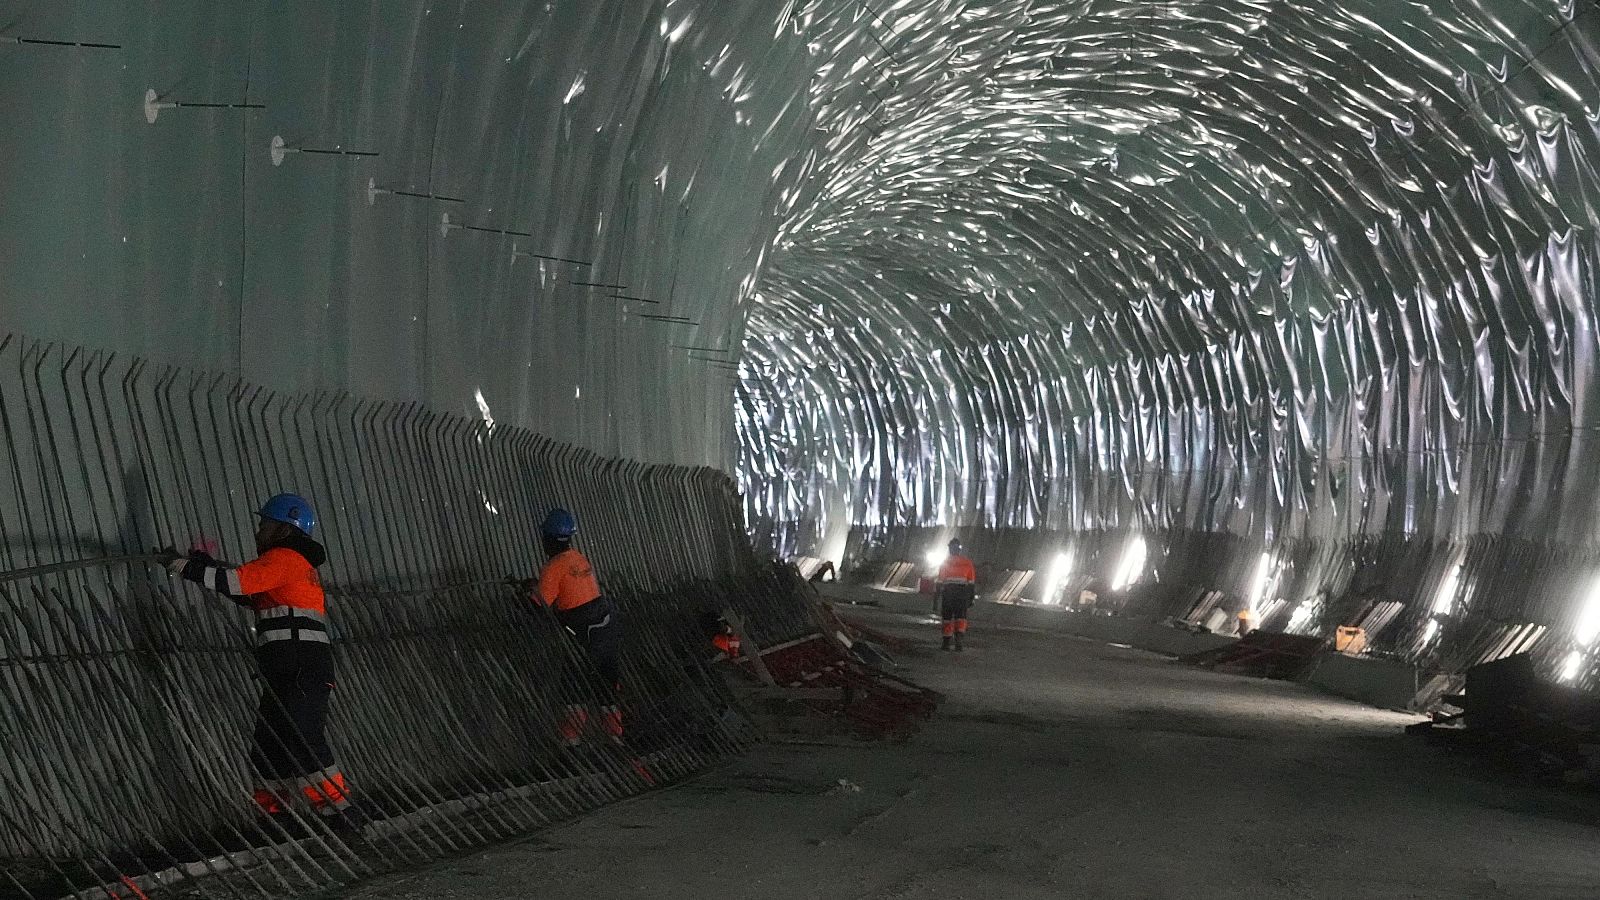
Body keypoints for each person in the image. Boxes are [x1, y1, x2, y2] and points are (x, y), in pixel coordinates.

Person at [164, 494, 353, 832]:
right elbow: (245, 590)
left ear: (283, 528)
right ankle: (276, 820)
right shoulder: (284, 564)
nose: (258, 530)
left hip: (301, 667)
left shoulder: (287, 558)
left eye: (264, 523)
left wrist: (189, 568)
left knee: (302, 738)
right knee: (270, 745)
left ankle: (339, 813)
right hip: (287, 668)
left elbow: (238, 582)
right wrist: (204, 566)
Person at [518, 508, 625, 747]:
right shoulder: (579, 558)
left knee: (574, 685)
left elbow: (538, 606)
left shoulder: (552, 566)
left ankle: (571, 742)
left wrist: (524, 595)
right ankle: (615, 739)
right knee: (606, 684)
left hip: (583, 633)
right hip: (605, 628)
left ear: (547, 538)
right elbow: (573, 589)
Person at [936, 538, 977, 651]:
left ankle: (946, 643)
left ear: (949, 549)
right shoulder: (967, 562)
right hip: (962, 594)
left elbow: (939, 582)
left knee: (947, 618)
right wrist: (971, 598)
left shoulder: (945, 563)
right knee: (961, 618)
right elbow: (971, 583)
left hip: (948, 594)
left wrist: (936, 598)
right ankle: (959, 642)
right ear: (960, 549)